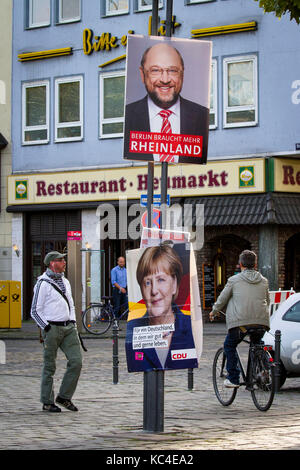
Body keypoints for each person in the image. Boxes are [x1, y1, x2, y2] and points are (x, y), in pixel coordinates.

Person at [124, 41, 209, 164]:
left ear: (182, 74)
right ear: (142, 74)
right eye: (155, 70)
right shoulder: (128, 117)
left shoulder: (202, 116)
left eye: (173, 71)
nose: (165, 80)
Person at [125, 244, 197, 372]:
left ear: (174, 283)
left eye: (161, 280)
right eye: (147, 282)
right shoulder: (133, 329)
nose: (154, 291)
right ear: (141, 288)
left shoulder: (190, 325)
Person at [209, 250, 270, 388]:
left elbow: (222, 299)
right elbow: (267, 301)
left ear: (240, 264)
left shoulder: (234, 280)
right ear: (255, 264)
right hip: (261, 322)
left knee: (229, 346)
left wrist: (214, 312)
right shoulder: (264, 281)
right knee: (257, 343)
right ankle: (264, 370)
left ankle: (234, 378)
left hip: (241, 324)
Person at [30, 251, 82, 412]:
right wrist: (46, 327)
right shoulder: (42, 284)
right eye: (61, 260)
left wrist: (73, 322)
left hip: (68, 327)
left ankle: (64, 397)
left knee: (76, 362)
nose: (64, 262)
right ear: (52, 263)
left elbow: (71, 304)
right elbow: (35, 310)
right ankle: (47, 401)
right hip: (52, 328)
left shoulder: (65, 281)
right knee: (49, 366)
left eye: (64, 259)